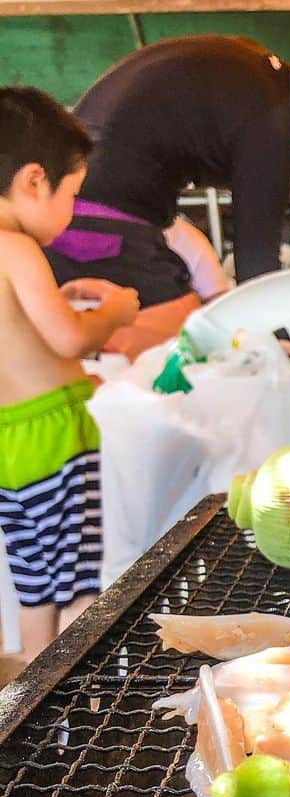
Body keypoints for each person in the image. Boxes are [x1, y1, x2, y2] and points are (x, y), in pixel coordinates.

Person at [46, 38, 290, 309]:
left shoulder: (250, 73)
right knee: (190, 336)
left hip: (67, 216)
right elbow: (258, 277)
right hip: (100, 232)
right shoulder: (269, 128)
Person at [0, 87, 139, 661]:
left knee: (37, 592)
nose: (72, 213)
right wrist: (117, 310)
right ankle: (83, 719)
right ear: (35, 180)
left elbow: (20, 342)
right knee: (80, 586)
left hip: (11, 441)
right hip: (57, 437)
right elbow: (68, 338)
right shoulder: (15, 245)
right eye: (73, 195)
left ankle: (32, 718)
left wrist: (55, 299)